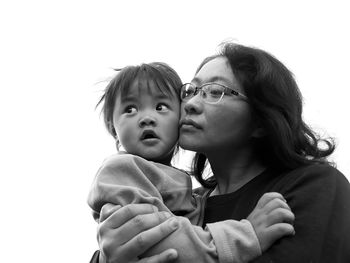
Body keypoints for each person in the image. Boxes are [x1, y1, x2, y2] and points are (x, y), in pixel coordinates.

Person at [92, 42, 350, 263]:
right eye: (191, 91)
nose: (190, 104)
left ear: (261, 120)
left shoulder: (313, 186)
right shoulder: (188, 203)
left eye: (215, 92)